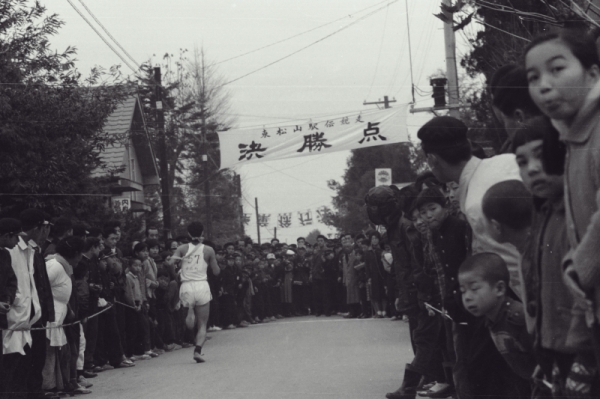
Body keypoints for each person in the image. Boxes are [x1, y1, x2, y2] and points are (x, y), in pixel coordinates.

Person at [417, 117, 525, 399]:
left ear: (432, 159)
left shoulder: (477, 202)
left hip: (513, 309)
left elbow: (512, 261)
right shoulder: (502, 162)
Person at [525, 28, 600, 381]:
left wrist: (578, 268)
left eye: (557, 69)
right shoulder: (573, 138)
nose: (544, 85)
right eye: (533, 77)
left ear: (593, 73)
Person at [458, 253, 536, 387]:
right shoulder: (490, 320)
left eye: (474, 289)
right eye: (463, 291)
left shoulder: (518, 317)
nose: (467, 297)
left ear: (499, 288)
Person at [167, 222, 220, 363]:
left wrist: (177, 273)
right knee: (202, 323)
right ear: (202, 233)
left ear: (188, 233)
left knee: (190, 319)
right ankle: (197, 350)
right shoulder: (208, 250)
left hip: (186, 285)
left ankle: (190, 311)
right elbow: (216, 272)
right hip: (202, 285)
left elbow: (170, 263)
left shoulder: (182, 248)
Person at [339, 233, 360, 319]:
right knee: (349, 297)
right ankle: (351, 312)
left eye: (348, 247)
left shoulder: (355, 254)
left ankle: (357, 312)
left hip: (355, 279)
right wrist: (344, 280)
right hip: (348, 280)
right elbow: (344, 270)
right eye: (345, 247)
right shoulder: (344, 257)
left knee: (356, 297)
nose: (347, 248)